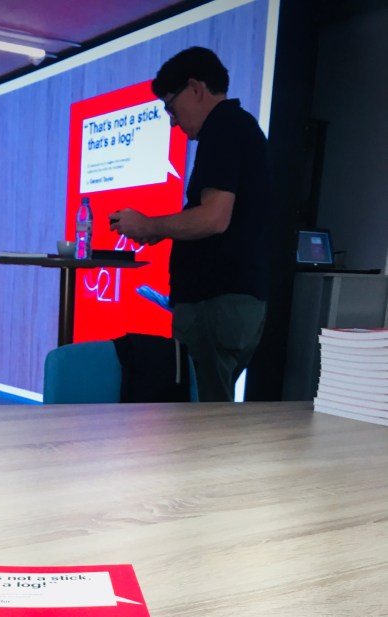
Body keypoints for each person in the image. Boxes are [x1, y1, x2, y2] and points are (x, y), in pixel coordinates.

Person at [109, 47, 271, 401]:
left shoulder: (223, 128)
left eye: (170, 107)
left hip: (216, 304)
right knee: (209, 409)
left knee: (204, 418)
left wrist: (150, 226)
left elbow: (214, 217)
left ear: (196, 89)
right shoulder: (240, 127)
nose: (172, 121)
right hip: (230, 303)